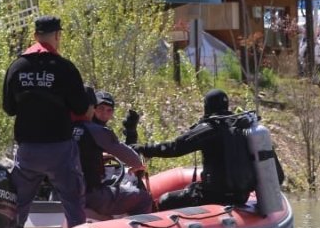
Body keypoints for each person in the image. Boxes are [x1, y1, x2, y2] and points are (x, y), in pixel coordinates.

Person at [2, 15, 90, 228]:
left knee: (17, 206)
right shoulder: (65, 68)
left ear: (34, 36)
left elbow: (9, 108)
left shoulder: (16, 67)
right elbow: (81, 109)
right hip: (60, 150)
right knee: (73, 202)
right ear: (58, 36)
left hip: (28, 152)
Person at [134, 89, 267, 210]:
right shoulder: (241, 127)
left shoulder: (210, 129)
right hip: (241, 196)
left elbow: (175, 147)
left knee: (165, 200)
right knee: (193, 188)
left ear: (207, 107)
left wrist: (144, 149)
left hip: (214, 196)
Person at [76, 89, 153, 217]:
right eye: (100, 108)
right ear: (92, 108)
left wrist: (131, 133)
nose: (104, 113)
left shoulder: (66, 128)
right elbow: (128, 156)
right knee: (143, 199)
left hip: (67, 191)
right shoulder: (97, 131)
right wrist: (137, 163)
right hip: (91, 193)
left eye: (109, 110)